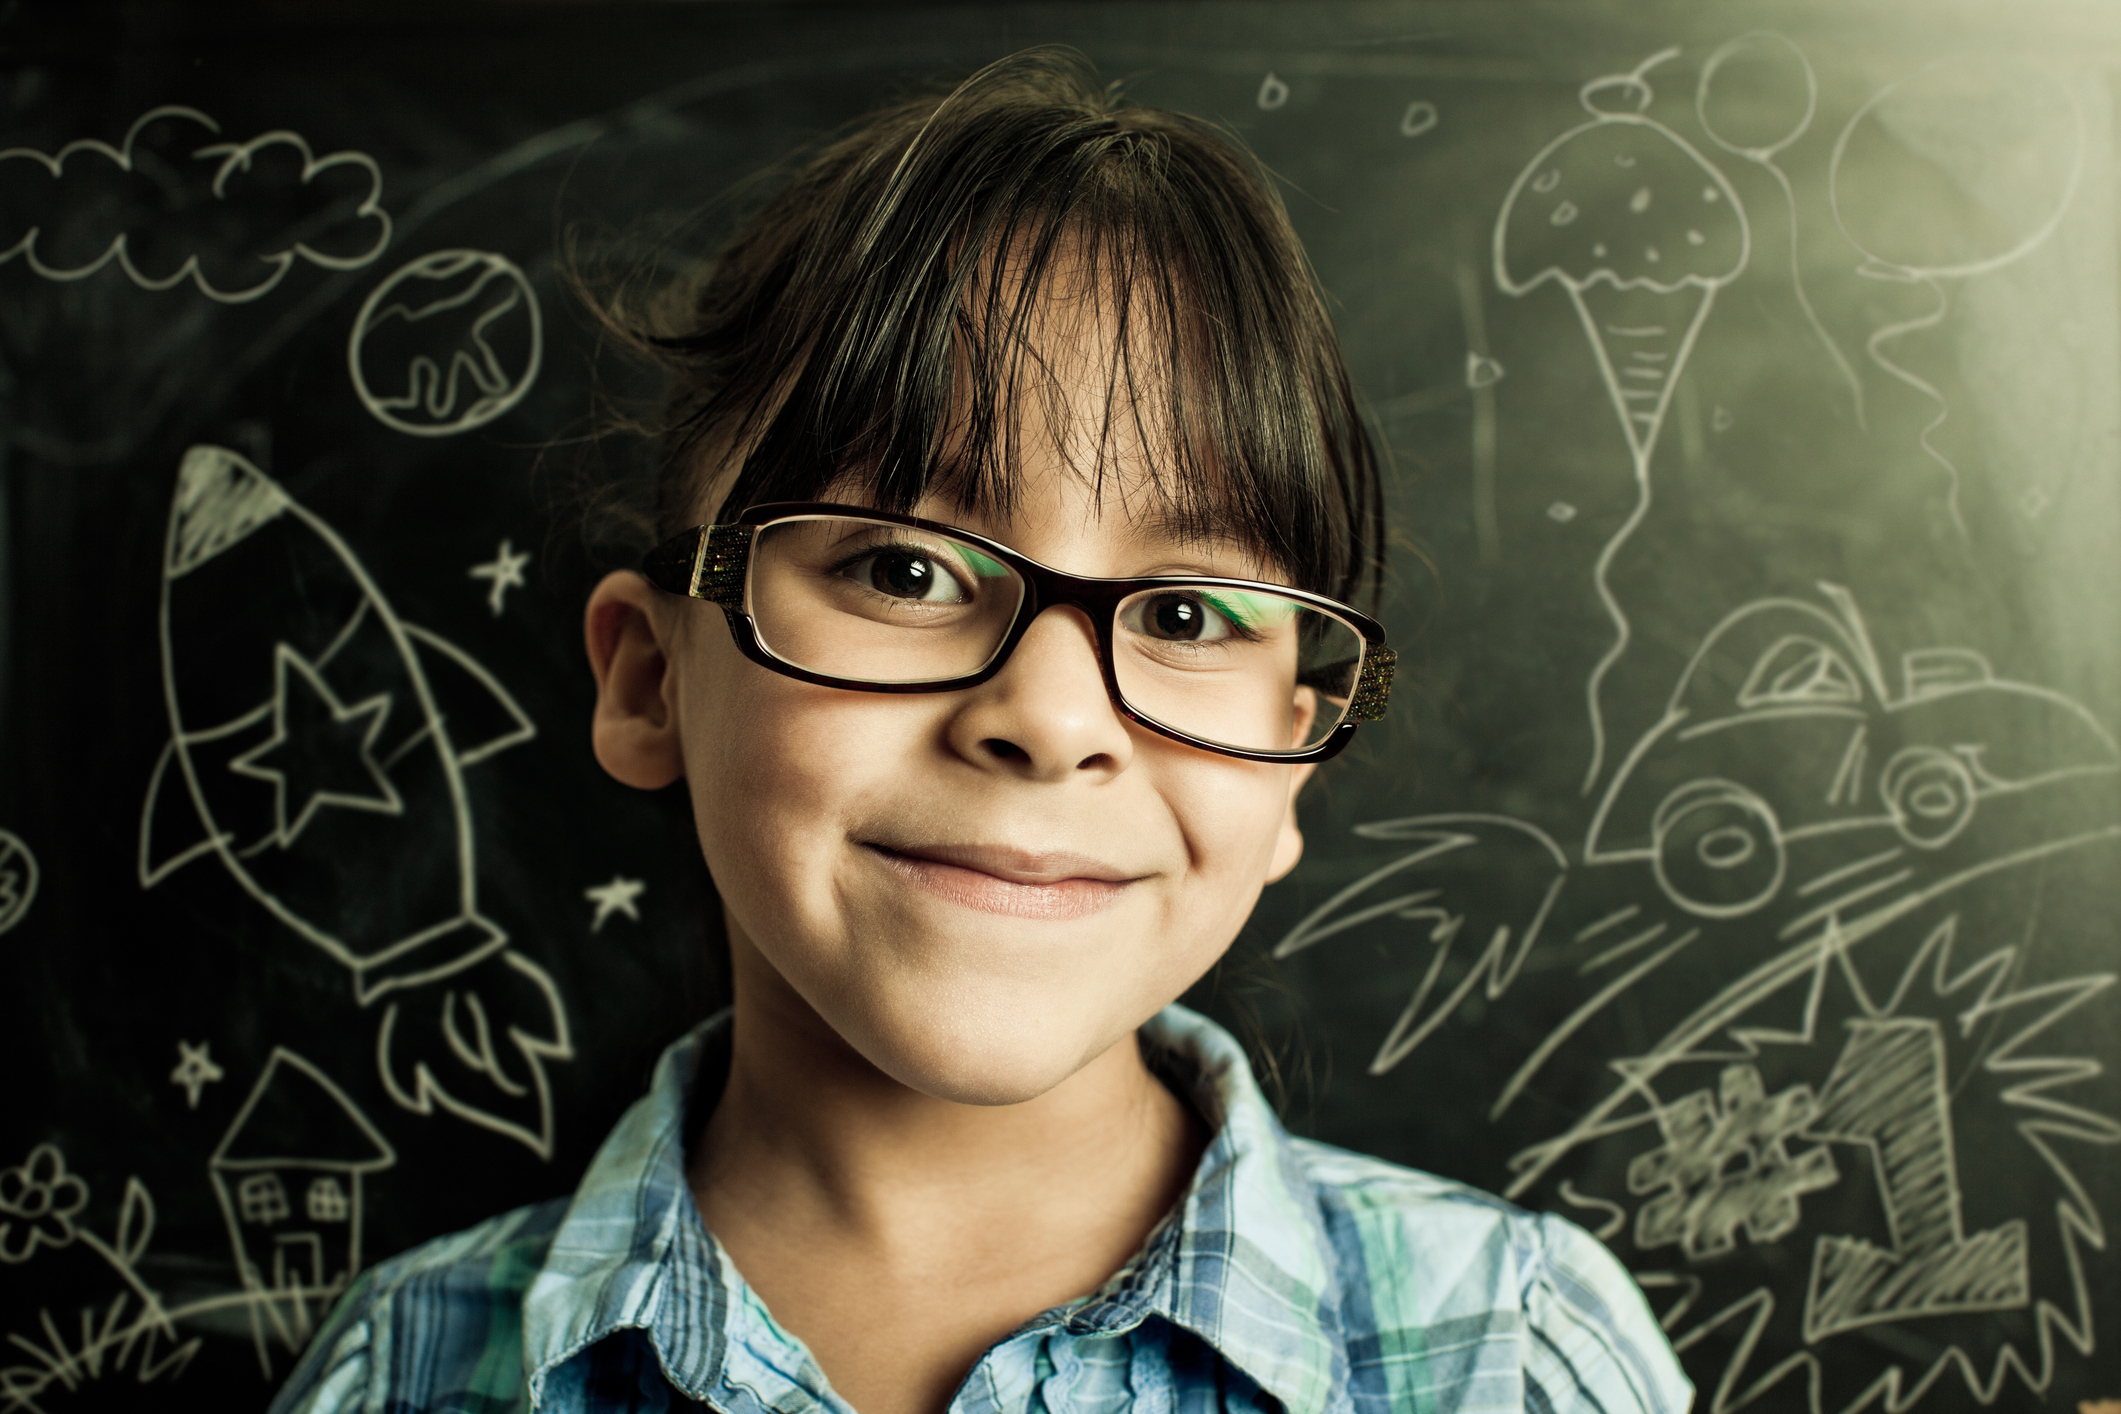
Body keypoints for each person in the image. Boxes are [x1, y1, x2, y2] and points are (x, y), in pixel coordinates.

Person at [270, 49, 1691, 1414]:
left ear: (1294, 758)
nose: (1050, 718)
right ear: (649, 680)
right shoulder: (396, 1373)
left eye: (1187, 616)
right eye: (902, 570)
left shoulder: (1517, 1352)